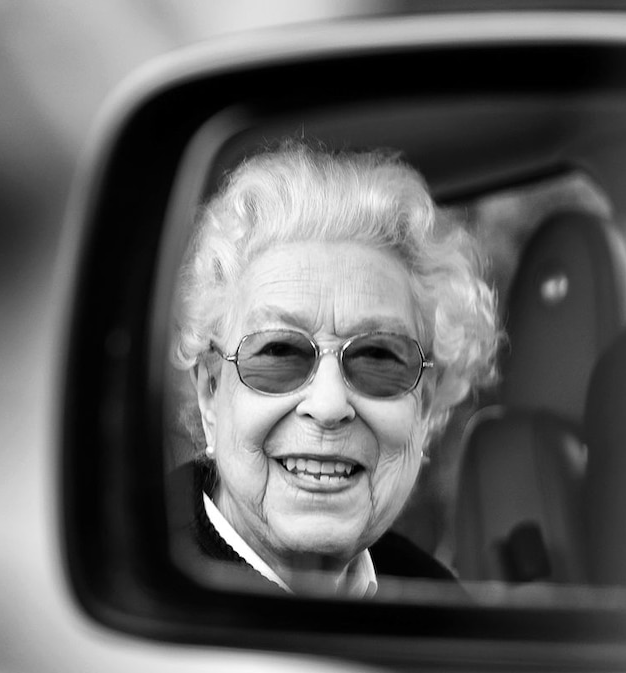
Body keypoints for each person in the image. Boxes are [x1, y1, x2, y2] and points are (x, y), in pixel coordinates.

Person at [170, 140, 499, 597]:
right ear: (210, 390)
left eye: (378, 358)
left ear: (423, 406)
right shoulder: (137, 578)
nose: (328, 405)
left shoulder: (435, 597)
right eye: (279, 353)